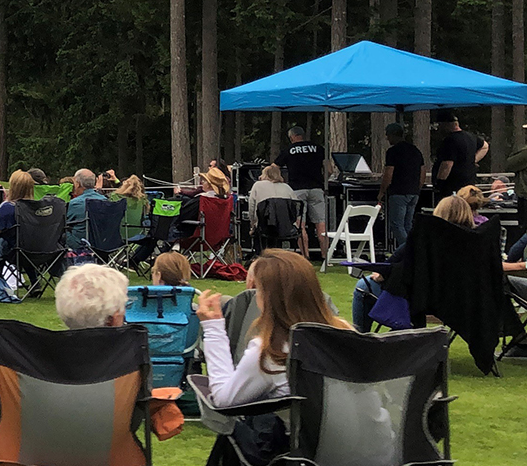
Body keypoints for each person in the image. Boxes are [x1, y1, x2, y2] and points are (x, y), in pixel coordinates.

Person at [0, 263, 132, 466]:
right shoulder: (130, 354)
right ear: (114, 317)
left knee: (7, 429)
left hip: (31, 461)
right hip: (109, 460)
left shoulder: (30, 356)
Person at [194, 250, 349, 410]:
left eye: (258, 290)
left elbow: (224, 399)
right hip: (350, 424)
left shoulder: (271, 352)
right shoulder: (345, 332)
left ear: (268, 297)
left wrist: (213, 329)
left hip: (295, 426)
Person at [350, 195, 475, 329]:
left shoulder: (424, 237)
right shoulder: (473, 243)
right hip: (457, 304)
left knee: (363, 285)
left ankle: (361, 336)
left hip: (419, 299)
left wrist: (382, 274)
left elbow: (395, 261)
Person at [274, 124, 328, 255]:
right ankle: (325, 256)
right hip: (316, 188)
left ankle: (305, 256)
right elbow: (329, 169)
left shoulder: (288, 150)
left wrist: (281, 181)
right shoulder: (318, 148)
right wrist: (323, 181)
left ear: (292, 137)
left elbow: (274, 167)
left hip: (297, 190)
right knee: (321, 224)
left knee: (300, 225)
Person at [375, 122, 425, 251]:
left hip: (399, 192)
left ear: (393, 135)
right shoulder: (415, 150)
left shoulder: (393, 151)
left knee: (397, 224)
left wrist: (382, 191)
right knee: (408, 224)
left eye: (388, 135)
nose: (387, 139)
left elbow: (389, 173)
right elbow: (423, 171)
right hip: (414, 192)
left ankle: (408, 251)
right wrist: (418, 187)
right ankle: (413, 249)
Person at [431, 111, 487, 194]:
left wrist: (439, 183)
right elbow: (485, 146)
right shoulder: (471, 137)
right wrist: (472, 160)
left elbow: (447, 164)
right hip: (469, 183)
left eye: (440, 125)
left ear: (446, 124)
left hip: (453, 185)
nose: (439, 128)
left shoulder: (450, 140)